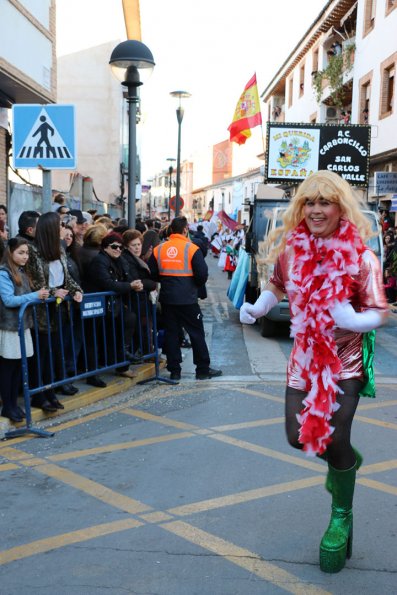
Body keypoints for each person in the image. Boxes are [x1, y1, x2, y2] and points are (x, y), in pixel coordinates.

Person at [240, 170, 388, 574]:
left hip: (345, 363)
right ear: (300, 207)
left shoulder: (362, 258)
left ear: (341, 207)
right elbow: (277, 285)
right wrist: (260, 306)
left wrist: (351, 319)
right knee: (296, 436)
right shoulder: (292, 251)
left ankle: (341, 514)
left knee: (335, 435)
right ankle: (345, 463)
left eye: (325, 202)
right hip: (304, 360)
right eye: (309, 202)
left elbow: (379, 313)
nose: (316, 210)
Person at [149, 216, 222, 382]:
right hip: (188, 299)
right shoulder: (192, 248)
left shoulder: (159, 249)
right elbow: (202, 274)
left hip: (167, 299)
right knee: (196, 334)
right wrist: (193, 286)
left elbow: (153, 273)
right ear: (185, 230)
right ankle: (202, 369)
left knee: (172, 334)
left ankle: (175, 371)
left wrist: (167, 282)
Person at [25, 212, 83, 410]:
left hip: (59, 309)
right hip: (40, 312)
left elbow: (67, 278)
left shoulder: (60, 248)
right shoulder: (33, 252)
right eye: (60, 224)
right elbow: (35, 284)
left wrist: (76, 291)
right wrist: (53, 291)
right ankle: (38, 395)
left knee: (54, 353)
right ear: (51, 228)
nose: (64, 227)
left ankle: (50, 391)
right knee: (40, 355)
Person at [0, 238, 49, 422]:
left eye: (27, 253)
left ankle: (13, 404)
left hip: (22, 325)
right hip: (9, 327)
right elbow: (9, 300)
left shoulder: (21, 271)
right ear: (10, 252)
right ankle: (8, 406)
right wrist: (35, 295)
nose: (25, 256)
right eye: (21, 252)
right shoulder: (4, 273)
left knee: (17, 368)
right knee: (8, 368)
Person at [85, 232, 138, 378]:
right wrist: (130, 286)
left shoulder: (120, 260)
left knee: (128, 321)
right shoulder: (99, 261)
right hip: (98, 307)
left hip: (111, 306)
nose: (118, 250)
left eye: (121, 247)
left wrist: (135, 284)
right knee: (94, 341)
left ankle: (122, 361)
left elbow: (129, 277)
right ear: (105, 247)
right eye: (114, 246)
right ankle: (93, 375)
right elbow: (108, 283)